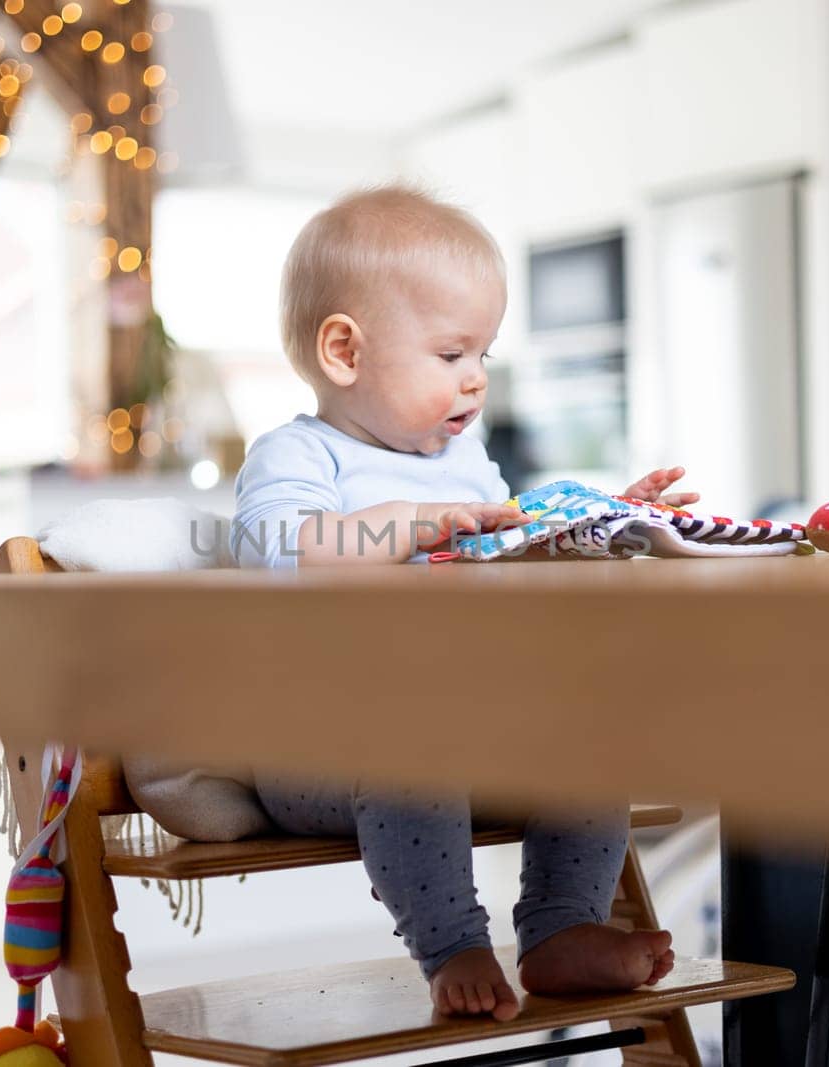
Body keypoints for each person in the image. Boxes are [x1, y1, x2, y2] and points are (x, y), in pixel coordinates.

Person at [231, 184, 697, 1021]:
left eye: (484, 355)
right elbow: (281, 549)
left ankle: (562, 928)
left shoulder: (466, 466)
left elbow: (506, 561)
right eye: (452, 355)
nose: (477, 381)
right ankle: (452, 945)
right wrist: (414, 525)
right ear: (345, 351)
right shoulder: (300, 456)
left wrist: (596, 527)